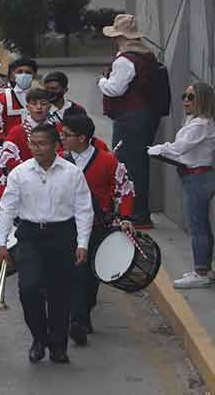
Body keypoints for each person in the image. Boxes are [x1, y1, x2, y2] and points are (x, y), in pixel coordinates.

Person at [0, 123, 93, 364]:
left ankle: (58, 346)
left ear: (55, 146)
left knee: (60, 294)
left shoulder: (72, 173)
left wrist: (83, 243)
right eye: (32, 144)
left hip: (62, 236)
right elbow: (7, 207)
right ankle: (39, 338)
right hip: (30, 236)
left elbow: (83, 209)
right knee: (28, 289)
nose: (36, 148)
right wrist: (1, 241)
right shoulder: (19, 173)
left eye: (42, 144)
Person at [60, 113, 135, 344]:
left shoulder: (108, 161)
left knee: (91, 276)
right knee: (73, 274)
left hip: (97, 227)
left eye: (67, 135)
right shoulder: (59, 160)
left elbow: (125, 189)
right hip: (67, 227)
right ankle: (78, 320)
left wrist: (125, 217)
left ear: (82, 138)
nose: (62, 138)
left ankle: (84, 311)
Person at [148, 82, 215, 289]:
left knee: (198, 227)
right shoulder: (197, 121)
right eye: (184, 96)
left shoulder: (200, 125)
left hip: (197, 178)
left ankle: (201, 272)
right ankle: (204, 269)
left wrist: (157, 149)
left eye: (191, 97)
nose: (186, 101)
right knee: (202, 226)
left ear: (202, 100)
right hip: (197, 176)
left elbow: (180, 148)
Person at [99, 14, 162, 228]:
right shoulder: (146, 56)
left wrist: (102, 81)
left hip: (130, 118)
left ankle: (135, 214)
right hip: (145, 115)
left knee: (128, 164)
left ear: (121, 37)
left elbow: (115, 89)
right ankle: (139, 211)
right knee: (139, 164)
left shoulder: (126, 61)